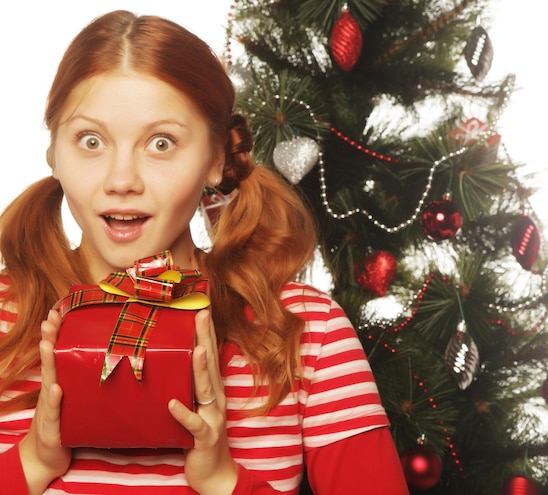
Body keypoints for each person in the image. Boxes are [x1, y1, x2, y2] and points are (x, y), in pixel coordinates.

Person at [0, 9, 409, 495]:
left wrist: (223, 479)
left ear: (216, 158)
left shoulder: (305, 334)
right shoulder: (6, 319)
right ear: (53, 153)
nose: (121, 180)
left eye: (161, 142)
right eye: (91, 141)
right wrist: (32, 461)